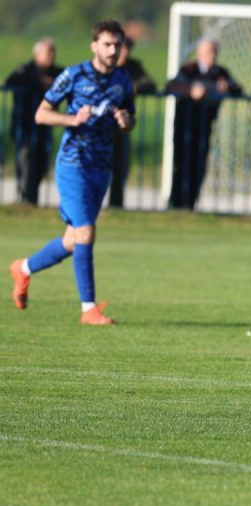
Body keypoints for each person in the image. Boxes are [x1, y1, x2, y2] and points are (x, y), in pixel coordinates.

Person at [8, 20, 135, 325]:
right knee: (86, 232)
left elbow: (131, 122)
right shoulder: (74, 75)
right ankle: (88, 309)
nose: (113, 50)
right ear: (94, 46)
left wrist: (125, 121)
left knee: (73, 240)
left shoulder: (123, 79)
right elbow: (41, 114)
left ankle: (23, 269)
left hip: (101, 167)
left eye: (117, 45)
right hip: (73, 164)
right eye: (107, 44)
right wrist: (72, 120)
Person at [166, 38, 242, 211]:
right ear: (199, 53)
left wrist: (228, 87)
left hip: (205, 125)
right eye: (208, 52)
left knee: (199, 165)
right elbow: (171, 86)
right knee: (182, 164)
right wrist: (190, 91)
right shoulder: (188, 70)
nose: (212, 56)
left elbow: (238, 89)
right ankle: (176, 204)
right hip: (185, 125)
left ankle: (191, 204)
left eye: (214, 52)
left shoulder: (220, 72)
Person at [4, 38, 63, 205]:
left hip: (45, 127)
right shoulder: (24, 70)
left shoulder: (57, 73)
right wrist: (38, 85)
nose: (51, 55)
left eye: (53, 52)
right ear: (37, 54)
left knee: (42, 163)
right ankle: (26, 199)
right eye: (47, 52)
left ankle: (32, 198)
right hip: (24, 126)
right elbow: (10, 83)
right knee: (26, 161)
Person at [109, 36, 156, 209]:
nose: (125, 52)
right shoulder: (106, 66)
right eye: (122, 48)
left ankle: (116, 205)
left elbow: (149, 83)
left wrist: (133, 87)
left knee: (120, 166)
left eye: (128, 49)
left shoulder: (133, 66)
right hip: (102, 124)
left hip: (122, 124)